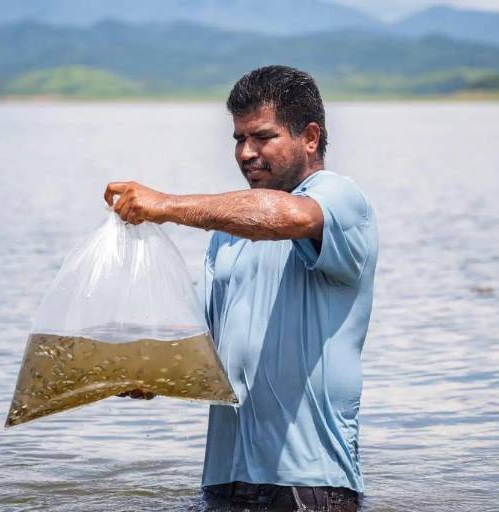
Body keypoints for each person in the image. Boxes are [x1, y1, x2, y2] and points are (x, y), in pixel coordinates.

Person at [106, 65, 379, 511]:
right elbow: (199, 352)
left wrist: (167, 206)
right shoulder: (229, 235)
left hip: (309, 484)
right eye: (238, 138)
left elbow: (289, 218)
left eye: (262, 137)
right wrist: (142, 369)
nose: (246, 153)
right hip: (224, 482)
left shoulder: (341, 199)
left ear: (310, 137)